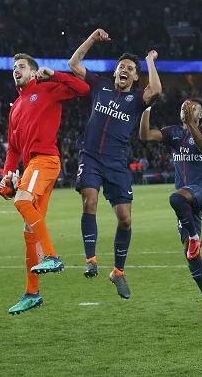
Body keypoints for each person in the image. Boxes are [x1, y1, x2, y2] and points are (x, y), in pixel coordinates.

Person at [68, 29, 162, 299]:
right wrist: (92, 39)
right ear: (115, 72)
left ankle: (118, 273)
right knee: (90, 201)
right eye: (121, 66)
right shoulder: (100, 86)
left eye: (130, 69)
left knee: (125, 220)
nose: (124, 70)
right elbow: (73, 64)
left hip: (117, 164)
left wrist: (150, 60)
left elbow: (155, 89)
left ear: (135, 77)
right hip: (91, 156)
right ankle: (90, 260)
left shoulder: (136, 100)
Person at [0, 53, 90, 315]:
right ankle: (32, 293)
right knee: (29, 231)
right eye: (14, 67)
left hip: (45, 160)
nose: (16, 70)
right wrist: (7, 175)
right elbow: (13, 148)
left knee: (22, 200)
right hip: (31, 165)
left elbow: (83, 88)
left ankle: (52, 257)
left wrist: (56, 74)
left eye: (21, 67)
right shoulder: (15, 107)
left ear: (33, 71)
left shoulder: (47, 89)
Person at [140, 99, 202, 328]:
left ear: (200, 114)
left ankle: (195, 238)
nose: (187, 109)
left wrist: (191, 124)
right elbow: (145, 135)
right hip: (186, 202)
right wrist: (146, 107)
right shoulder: (173, 133)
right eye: (184, 107)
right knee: (190, 256)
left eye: (192, 108)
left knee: (175, 198)